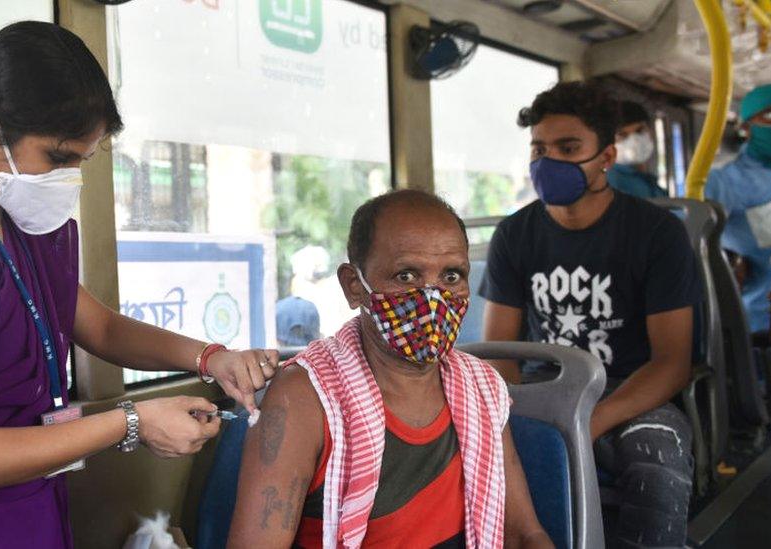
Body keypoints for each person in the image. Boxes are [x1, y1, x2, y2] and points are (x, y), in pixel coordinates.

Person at [0, 22, 277, 548]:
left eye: (82, 159)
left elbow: (95, 324)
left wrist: (210, 357)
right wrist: (132, 421)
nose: (69, 179)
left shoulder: (15, 215)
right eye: (58, 158)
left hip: (13, 509)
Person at [228, 190, 552, 548]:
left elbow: (522, 533)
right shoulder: (306, 396)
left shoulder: (481, 388)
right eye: (406, 275)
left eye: (451, 276)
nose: (432, 298)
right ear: (355, 286)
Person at [480, 81, 699, 548]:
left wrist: (590, 418)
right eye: (539, 148)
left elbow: (671, 360)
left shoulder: (657, 234)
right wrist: (519, 413)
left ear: (606, 157)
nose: (548, 161)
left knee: (656, 458)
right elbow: (500, 352)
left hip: (632, 391)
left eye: (568, 147)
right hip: (542, 387)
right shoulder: (515, 236)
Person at [705, 83, 771, 334]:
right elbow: (694, 242)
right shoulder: (725, 182)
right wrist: (730, 260)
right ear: (746, 127)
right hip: (763, 324)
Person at [608, 100, 667, 199]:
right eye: (622, 135)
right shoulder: (610, 183)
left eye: (640, 131)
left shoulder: (649, 182)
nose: (634, 141)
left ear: (650, 130)